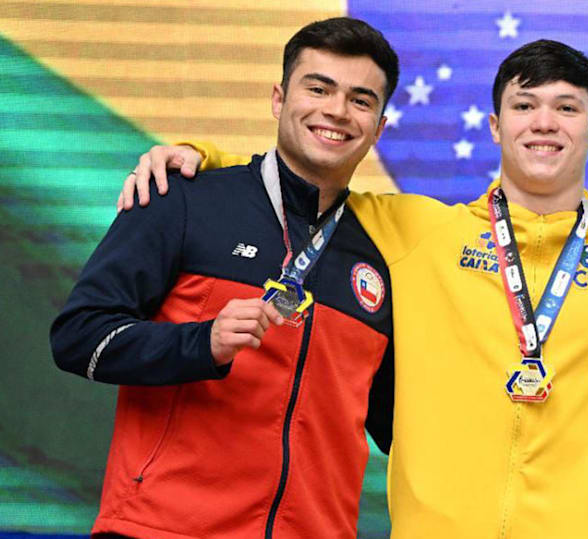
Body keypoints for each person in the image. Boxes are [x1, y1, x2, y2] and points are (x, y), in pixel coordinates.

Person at [119, 40, 588, 537]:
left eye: (567, 108)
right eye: (525, 106)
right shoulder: (417, 231)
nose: (544, 123)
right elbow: (298, 172)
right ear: (496, 126)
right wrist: (198, 153)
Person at [50, 17, 398, 539]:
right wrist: (201, 341)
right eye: (318, 88)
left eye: (360, 100)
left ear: (379, 127)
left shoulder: (384, 252)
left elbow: (400, 423)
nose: (336, 111)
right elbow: (77, 337)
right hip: (162, 528)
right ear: (279, 99)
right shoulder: (183, 198)